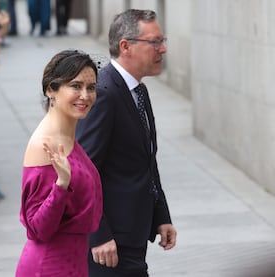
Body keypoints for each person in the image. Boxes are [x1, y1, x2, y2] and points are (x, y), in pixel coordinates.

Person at [75, 9, 177, 276]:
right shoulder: (105, 94)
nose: (163, 49)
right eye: (155, 42)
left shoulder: (138, 90)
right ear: (125, 46)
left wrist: (161, 216)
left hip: (133, 235)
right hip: (110, 245)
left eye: (162, 40)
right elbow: (82, 173)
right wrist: (97, 235)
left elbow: (146, 160)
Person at [15, 50, 103, 277]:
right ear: (50, 90)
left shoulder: (67, 135)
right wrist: (62, 184)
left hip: (72, 263)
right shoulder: (45, 145)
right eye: (75, 86)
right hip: (49, 266)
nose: (85, 95)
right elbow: (38, 229)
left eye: (91, 87)